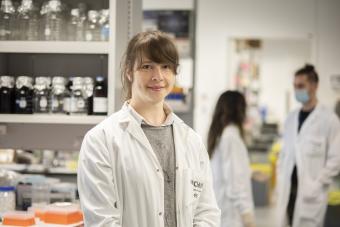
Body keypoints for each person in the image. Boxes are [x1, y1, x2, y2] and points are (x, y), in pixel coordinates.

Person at [77, 31, 220, 227]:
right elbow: (102, 221)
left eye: (166, 67)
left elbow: (207, 213)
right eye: (147, 67)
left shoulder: (191, 140)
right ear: (129, 71)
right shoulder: (101, 140)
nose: (158, 76)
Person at [276, 64, 340, 227]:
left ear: (314, 86)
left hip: (311, 194)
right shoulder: (291, 118)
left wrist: (317, 184)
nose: (297, 90)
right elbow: (285, 155)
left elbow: (336, 160)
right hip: (288, 191)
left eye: (301, 86)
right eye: (295, 86)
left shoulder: (329, 120)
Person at [208, 91, 256, 227]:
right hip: (232, 214)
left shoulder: (222, 134)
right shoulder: (231, 136)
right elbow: (235, 182)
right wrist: (247, 214)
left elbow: (228, 171)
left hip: (224, 207)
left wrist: (250, 173)